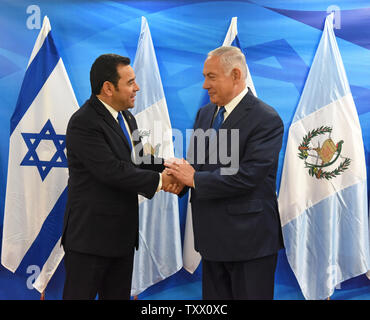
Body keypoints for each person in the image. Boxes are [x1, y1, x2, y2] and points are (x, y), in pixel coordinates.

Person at [165, 46, 284, 300]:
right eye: (204, 76)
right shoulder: (205, 113)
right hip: (211, 241)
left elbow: (248, 176)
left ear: (236, 75)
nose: (204, 85)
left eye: (211, 76)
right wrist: (180, 181)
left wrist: (194, 179)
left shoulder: (267, 119)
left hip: (249, 243)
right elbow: (197, 165)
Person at [61, 53, 179, 300]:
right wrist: (161, 182)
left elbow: (138, 160)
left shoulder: (127, 117)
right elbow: (111, 170)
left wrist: (170, 167)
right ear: (108, 88)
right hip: (89, 241)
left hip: (121, 239)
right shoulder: (84, 122)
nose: (137, 88)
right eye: (130, 82)